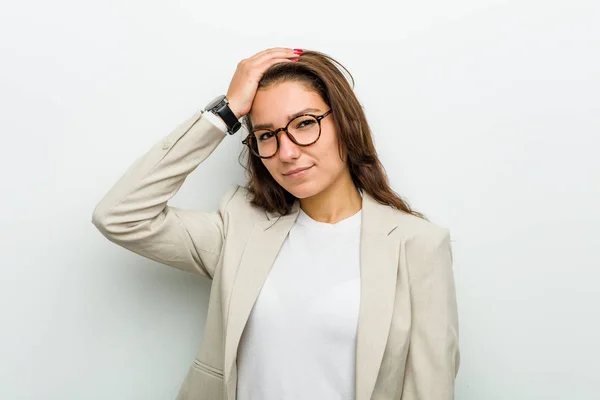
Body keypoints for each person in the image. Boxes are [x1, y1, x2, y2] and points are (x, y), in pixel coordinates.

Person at [92, 47, 460, 400]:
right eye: (267, 135)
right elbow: (121, 216)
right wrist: (225, 112)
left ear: (345, 123)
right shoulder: (240, 229)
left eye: (305, 123)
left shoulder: (417, 245)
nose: (287, 152)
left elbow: (429, 388)